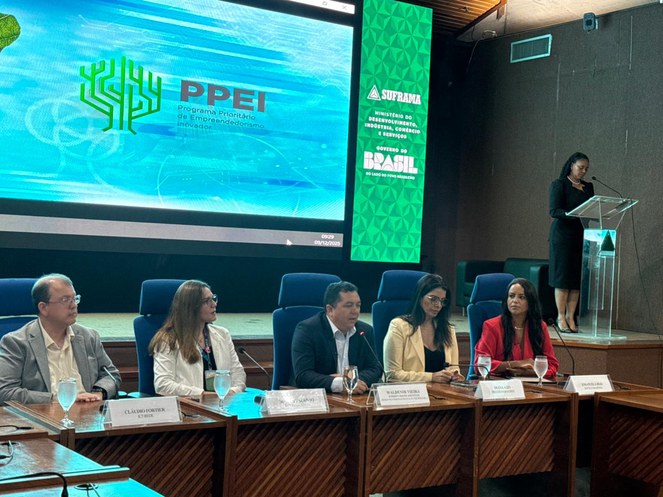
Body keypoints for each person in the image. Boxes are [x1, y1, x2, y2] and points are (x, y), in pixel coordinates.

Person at [0, 273, 121, 405]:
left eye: (75, 298)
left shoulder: (89, 337)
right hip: (43, 414)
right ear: (43, 308)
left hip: (88, 412)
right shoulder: (16, 343)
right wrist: (58, 399)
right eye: (65, 300)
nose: (73, 305)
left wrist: (98, 394)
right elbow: (5, 392)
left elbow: (111, 375)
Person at [149, 280, 246, 397]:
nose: (214, 304)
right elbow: (163, 385)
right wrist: (203, 395)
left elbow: (238, 373)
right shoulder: (168, 340)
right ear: (190, 307)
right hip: (188, 405)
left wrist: (232, 391)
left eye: (213, 298)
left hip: (224, 404)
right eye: (207, 301)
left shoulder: (223, 334)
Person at [291, 281, 382, 394]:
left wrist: (350, 380)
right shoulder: (307, 330)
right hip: (316, 398)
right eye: (348, 305)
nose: (355, 311)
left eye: (358, 305)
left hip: (354, 398)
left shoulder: (364, 331)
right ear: (330, 310)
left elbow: (375, 369)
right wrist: (338, 383)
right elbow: (303, 375)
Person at [383, 274, 463, 383]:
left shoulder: (448, 329)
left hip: (443, 392)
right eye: (433, 299)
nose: (438, 305)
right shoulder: (399, 326)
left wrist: (455, 376)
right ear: (420, 297)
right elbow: (392, 375)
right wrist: (431, 377)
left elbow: (454, 368)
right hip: (410, 392)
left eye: (442, 301)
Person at [474, 278, 559, 378]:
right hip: (500, 383)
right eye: (511, 296)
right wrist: (517, 364)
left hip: (531, 383)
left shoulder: (539, 326)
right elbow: (480, 365)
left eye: (521, 297)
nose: (515, 301)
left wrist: (530, 372)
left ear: (531, 301)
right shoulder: (492, 326)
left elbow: (552, 366)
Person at [549, 152, 594, 333]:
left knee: (576, 279)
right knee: (563, 278)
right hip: (563, 237)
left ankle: (571, 316)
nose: (583, 171)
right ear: (571, 165)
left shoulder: (588, 187)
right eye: (580, 167)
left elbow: (592, 208)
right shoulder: (559, 184)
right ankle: (560, 316)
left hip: (581, 235)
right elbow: (554, 211)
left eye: (586, 169)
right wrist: (571, 214)